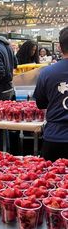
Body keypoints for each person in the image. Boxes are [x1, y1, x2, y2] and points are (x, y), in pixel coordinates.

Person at [33, 26, 68, 161]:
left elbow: (41, 103)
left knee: (51, 179)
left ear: (59, 47)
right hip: (55, 135)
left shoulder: (47, 73)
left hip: (55, 137)